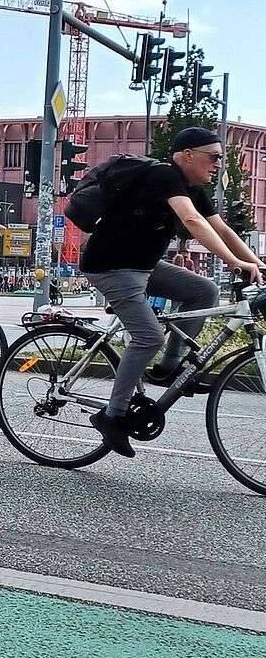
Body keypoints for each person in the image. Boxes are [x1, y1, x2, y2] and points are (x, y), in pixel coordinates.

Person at [82, 127, 263, 457]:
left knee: (203, 290)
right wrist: (235, 263)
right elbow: (193, 222)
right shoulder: (165, 176)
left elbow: (221, 228)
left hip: (144, 267)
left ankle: (169, 367)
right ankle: (112, 415)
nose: (218, 165)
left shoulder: (192, 186)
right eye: (214, 157)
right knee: (148, 337)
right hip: (111, 267)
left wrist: (257, 266)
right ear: (188, 154)